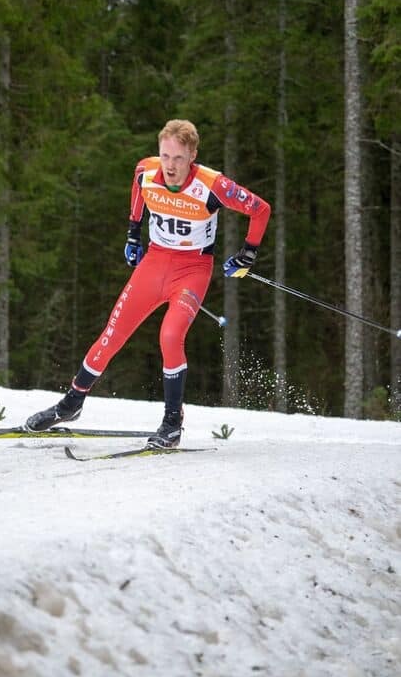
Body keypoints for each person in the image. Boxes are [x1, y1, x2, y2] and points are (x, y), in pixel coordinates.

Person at [25, 119, 271, 447]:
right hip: (154, 264)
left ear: (192, 156)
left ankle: (172, 423)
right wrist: (132, 232)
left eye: (179, 158)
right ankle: (71, 404)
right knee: (111, 335)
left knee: (170, 336)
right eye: (165, 156)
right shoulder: (146, 170)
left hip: (192, 269)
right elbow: (138, 191)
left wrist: (248, 254)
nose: (170, 166)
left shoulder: (213, 185)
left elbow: (260, 209)